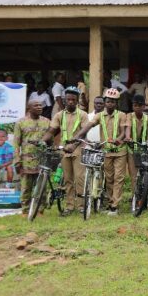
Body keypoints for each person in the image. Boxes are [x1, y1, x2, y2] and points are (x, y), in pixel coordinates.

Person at [74, 88, 128, 215]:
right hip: (106, 152)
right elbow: (89, 125)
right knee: (109, 178)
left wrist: (118, 140)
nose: (110, 104)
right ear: (105, 102)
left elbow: (123, 133)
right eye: (108, 101)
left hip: (120, 151)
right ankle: (110, 203)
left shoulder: (122, 115)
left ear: (117, 104)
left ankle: (115, 206)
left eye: (113, 102)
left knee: (118, 178)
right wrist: (79, 135)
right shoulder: (99, 116)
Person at [42, 86, 89, 216]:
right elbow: (51, 131)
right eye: (68, 99)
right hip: (64, 151)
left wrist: (73, 146)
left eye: (73, 99)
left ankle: (81, 206)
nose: (71, 102)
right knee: (67, 180)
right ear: (65, 99)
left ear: (77, 100)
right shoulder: (59, 115)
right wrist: (42, 141)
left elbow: (83, 134)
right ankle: (69, 206)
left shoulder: (83, 115)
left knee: (79, 179)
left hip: (78, 150)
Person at [14, 101, 50, 213]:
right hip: (26, 161)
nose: (39, 107)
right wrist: (17, 160)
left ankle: (40, 210)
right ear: (29, 108)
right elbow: (16, 143)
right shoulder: (21, 122)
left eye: (40, 105)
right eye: (36, 105)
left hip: (42, 159)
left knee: (42, 187)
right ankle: (25, 210)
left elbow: (50, 141)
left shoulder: (47, 122)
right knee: (26, 188)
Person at [125, 94, 148, 191]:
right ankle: (135, 196)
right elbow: (128, 127)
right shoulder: (129, 116)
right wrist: (128, 137)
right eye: (135, 105)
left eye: (140, 105)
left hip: (144, 149)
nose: (137, 108)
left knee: (147, 172)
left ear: (144, 106)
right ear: (132, 106)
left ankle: (146, 191)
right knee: (134, 175)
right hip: (132, 149)